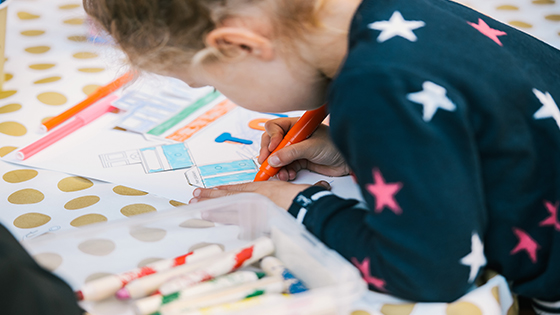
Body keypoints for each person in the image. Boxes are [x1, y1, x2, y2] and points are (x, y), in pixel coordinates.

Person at [83, 0, 560, 312]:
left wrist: (297, 205)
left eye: (211, 83)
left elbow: (429, 271)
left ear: (240, 45)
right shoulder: (396, 14)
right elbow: (483, 128)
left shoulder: (374, 87)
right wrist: (362, 147)